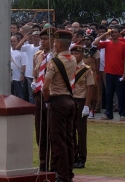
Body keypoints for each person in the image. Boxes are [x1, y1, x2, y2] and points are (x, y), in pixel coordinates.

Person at [43, 30, 76, 182]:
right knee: (68, 139)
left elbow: (45, 86)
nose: (54, 45)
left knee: (58, 140)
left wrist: (47, 100)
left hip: (57, 101)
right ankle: (68, 172)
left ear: (59, 44)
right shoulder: (73, 59)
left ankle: (62, 175)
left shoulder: (54, 62)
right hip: (69, 99)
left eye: (55, 42)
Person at [93, 27, 125, 121]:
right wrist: (104, 35)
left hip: (119, 73)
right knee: (109, 94)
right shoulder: (107, 44)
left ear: (119, 34)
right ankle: (108, 114)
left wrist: (124, 72)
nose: (114, 34)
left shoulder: (123, 45)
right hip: (109, 72)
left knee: (120, 95)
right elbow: (95, 43)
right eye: (112, 32)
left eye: (116, 32)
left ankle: (122, 114)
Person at [32, 27, 53, 172]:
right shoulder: (38, 55)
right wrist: (34, 81)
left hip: (53, 95)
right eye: (42, 39)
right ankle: (43, 163)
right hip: (39, 94)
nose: (42, 42)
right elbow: (35, 72)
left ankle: (55, 164)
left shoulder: (58, 56)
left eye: (45, 39)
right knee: (40, 131)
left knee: (54, 132)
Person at [70, 45, 94, 169]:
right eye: (72, 53)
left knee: (81, 130)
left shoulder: (86, 69)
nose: (74, 56)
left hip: (81, 100)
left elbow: (90, 88)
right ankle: (72, 155)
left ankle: (81, 158)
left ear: (82, 55)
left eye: (77, 54)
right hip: (70, 100)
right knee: (70, 130)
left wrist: (86, 106)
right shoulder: (68, 68)